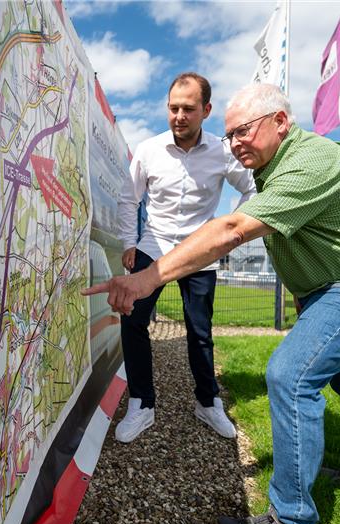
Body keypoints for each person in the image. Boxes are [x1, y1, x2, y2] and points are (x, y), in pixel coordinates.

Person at [84, 83, 340, 524]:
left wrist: (145, 279)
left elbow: (237, 226)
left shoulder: (309, 162)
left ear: (280, 121)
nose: (235, 143)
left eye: (243, 132)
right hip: (337, 286)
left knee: (290, 377)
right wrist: (306, 294)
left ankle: (290, 521)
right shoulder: (269, 167)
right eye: (231, 134)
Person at [113, 72, 256, 444]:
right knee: (132, 322)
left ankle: (207, 402)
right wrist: (130, 242)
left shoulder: (224, 152)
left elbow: (253, 187)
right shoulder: (148, 150)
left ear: (206, 110)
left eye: (188, 109)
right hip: (153, 247)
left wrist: (230, 231)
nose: (179, 115)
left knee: (200, 332)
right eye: (173, 108)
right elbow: (130, 200)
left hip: (199, 251)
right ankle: (142, 403)